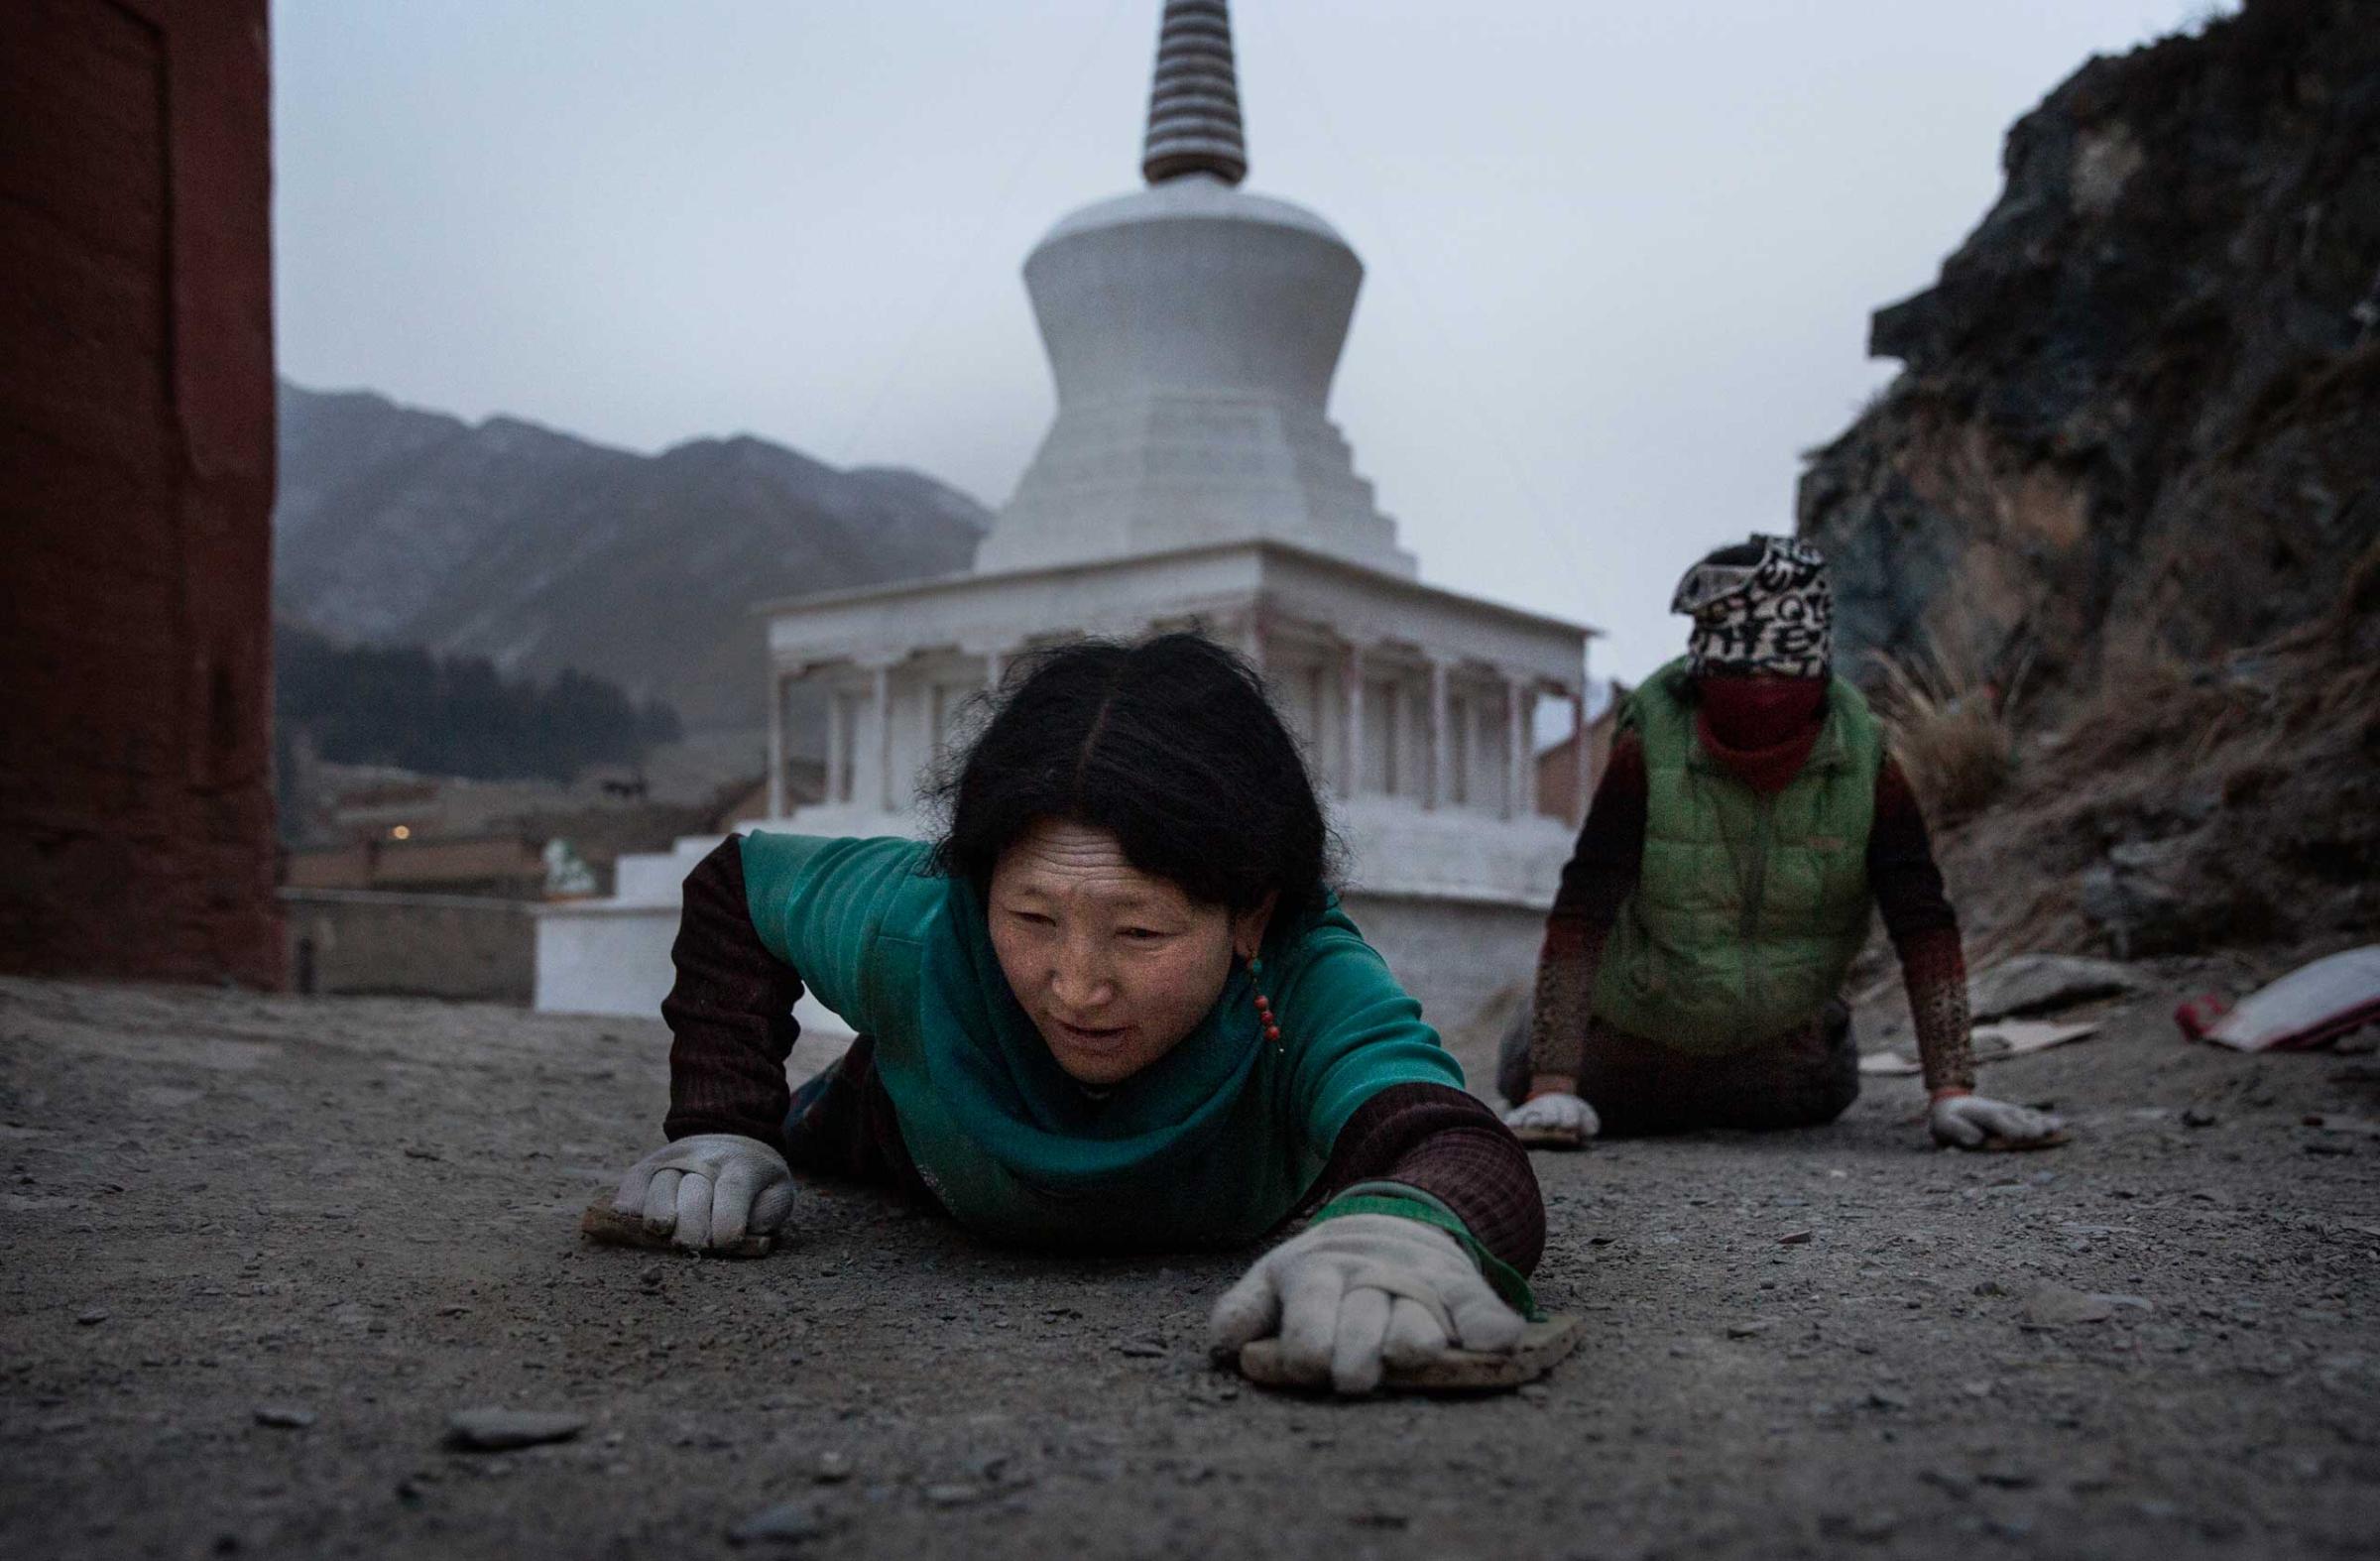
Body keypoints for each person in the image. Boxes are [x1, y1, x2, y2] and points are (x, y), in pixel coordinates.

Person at [613, 633, 1545, 1395]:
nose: (1077, 987)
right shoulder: (917, 923)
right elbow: (739, 880)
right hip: (898, 1126)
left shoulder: (1302, 981)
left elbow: (1447, 1138)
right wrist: (722, 1125)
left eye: (1139, 933)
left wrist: (1408, 1232)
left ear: (1251, 916)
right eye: (1031, 918)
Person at [1497, 537, 2064, 1151]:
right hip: (1627, 1061)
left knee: (1535, 1059)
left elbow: (1921, 917)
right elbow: (1587, 904)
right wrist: (1552, 1082)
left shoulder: (1864, 759)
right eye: (1744, 675)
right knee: (1520, 1058)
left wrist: (1954, 1091)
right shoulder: (1651, 742)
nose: (1761, 691)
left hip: (1780, 1076)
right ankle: (1546, 1060)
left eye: (1776, 674)